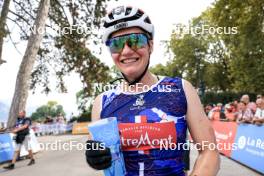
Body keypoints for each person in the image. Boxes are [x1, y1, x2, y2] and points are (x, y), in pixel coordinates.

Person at [85, 6, 220, 176]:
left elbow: (209, 152)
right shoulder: (102, 101)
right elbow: (99, 150)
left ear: (150, 45)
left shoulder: (180, 89)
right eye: (116, 44)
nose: (126, 51)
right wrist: (95, 156)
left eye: (135, 40)